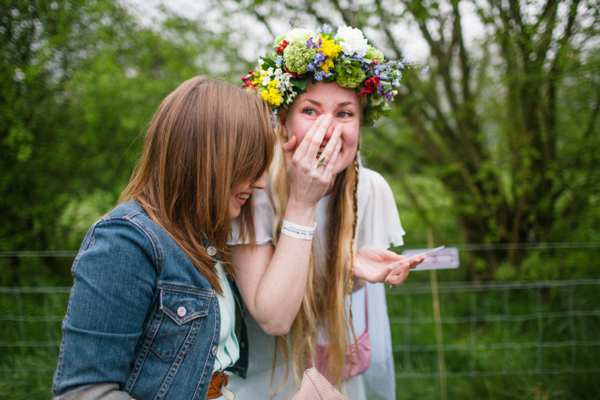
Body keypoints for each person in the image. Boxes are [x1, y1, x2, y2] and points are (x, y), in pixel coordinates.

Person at [52, 76, 341, 399]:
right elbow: (84, 393)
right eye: (251, 165)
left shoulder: (208, 236)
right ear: (210, 160)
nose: (261, 182)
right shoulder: (125, 243)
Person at [229, 23, 426, 399]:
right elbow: (273, 316)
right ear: (282, 122)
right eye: (310, 110)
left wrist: (349, 272)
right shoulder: (250, 191)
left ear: (361, 124)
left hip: (333, 380)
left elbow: (324, 298)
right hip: (259, 382)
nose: (328, 130)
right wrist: (302, 202)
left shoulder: (370, 190)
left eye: (344, 114)